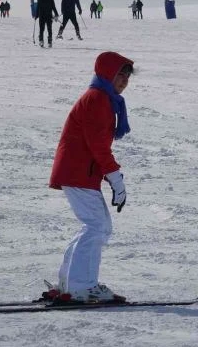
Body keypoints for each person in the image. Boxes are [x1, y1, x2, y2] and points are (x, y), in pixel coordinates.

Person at [49, 51, 135, 303]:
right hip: (79, 172)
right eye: (120, 74)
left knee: (95, 226)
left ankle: (68, 283)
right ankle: (81, 286)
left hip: (79, 171)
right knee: (98, 227)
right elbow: (98, 146)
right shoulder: (98, 99)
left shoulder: (102, 98)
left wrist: (111, 176)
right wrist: (116, 178)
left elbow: (96, 145)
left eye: (127, 75)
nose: (124, 80)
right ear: (107, 74)